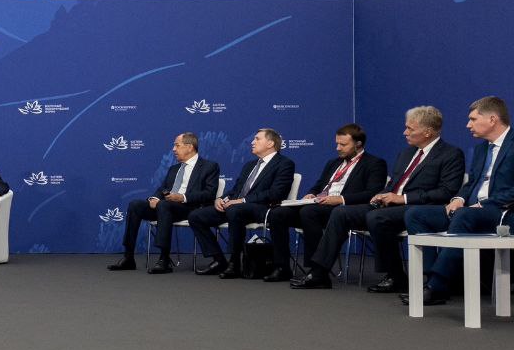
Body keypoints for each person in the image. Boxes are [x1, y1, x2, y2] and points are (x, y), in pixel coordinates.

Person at [297, 106, 465, 293]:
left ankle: (395, 276)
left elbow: (446, 191)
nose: (405, 132)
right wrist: (382, 194)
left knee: (377, 218)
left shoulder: (451, 154)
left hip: (419, 208)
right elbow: (394, 183)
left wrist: (402, 198)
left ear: (427, 132)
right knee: (340, 212)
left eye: (410, 128)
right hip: (389, 205)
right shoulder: (406, 153)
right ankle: (319, 273)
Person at [401, 96, 514, 306]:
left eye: (473, 119)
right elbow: (472, 182)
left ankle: (437, 287)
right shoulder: (482, 149)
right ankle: (431, 279)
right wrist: (459, 198)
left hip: (502, 212)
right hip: (470, 211)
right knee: (416, 214)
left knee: (464, 215)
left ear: (492, 119)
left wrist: (484, 205)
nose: (468, 125)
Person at [261, 124, 387, 284]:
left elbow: (372, 193)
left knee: (309, 212)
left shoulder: (374, 163)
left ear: (358, 144)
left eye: (343, 144)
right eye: (337, 143)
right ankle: (282, 267)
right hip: (319, 205)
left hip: (343, 209)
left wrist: (340, 199)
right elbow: (320, 185)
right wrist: (312, 193)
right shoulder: (333, 163)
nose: (338, 148)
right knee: (278, 214)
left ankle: (317, 271)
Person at [186, 128, 295, 279]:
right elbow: (236, 190)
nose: (252, 142)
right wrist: (221, 199)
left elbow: (276, 193)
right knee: (196, 216)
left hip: (262, 208)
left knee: (235, 210)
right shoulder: (250, 165)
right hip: (237, 208)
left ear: (270, 143)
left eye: (257, 139)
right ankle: (219, 261)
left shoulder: (284, 164)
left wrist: (243, 201)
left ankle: (234, 262)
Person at [106, 132, 219, 274]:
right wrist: (154, 199)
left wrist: (182, 197)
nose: (173, 149)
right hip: (166, 207)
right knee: (135, 205)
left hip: (190, 208)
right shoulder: (174, 168)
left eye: (177, 145)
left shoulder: (209, 166)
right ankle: (128, 257)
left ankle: (164, 259)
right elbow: (162, 189)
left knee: (164, 205)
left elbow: (209, 194)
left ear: (190, 147)